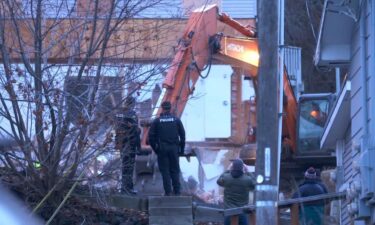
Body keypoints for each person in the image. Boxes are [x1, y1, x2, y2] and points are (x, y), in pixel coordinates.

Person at [148, 101, 185, 196]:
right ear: (170, 108)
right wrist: (181, 149)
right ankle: (177, 192)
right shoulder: (176, 120)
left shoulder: (157, 121)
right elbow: (183, 135)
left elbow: (151, 137)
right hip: (174, 148)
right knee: (175, 170)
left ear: (162, 108)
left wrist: (156, 149)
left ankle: (168, 192)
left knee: (165, 171)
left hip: (162, 148)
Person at [115, 96, 141, 195]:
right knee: (129, 167)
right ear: (132, 104)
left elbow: (117, 130)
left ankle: (124, 188)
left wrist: (117, 145)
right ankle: (127, 189)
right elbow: (135, 131)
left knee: (124, 166)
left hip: (121, 143)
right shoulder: (132, 114)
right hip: (130, 144)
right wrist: (139, 147)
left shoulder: (118, 114)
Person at [217, 159, 255, 225]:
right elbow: (255, 184)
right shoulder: (247, 179)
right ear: (242, 168)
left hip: (229, 212)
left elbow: (218, 181)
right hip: (242, 212)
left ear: (232, 167)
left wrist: (227, 170)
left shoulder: (226, 177)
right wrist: (248, 171)